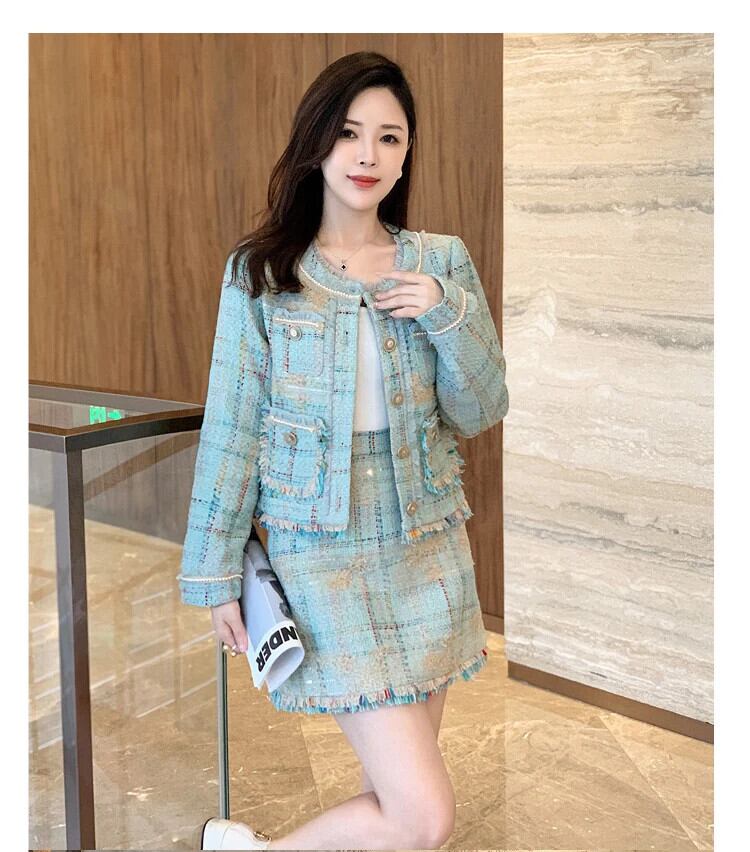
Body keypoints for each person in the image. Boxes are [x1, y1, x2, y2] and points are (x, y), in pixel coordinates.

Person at [177, 50, 509, 851]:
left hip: (426, 543)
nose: (368, 155)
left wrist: (446, 312)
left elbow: (481, 408)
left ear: (407, 151)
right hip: (321, 553)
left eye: (389, 138)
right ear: (317, 142)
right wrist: (216, 576)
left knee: (391, 797)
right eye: (350, 133)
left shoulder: (440, 263)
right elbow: (233, 429)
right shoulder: (263, 273)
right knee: (424, 816)